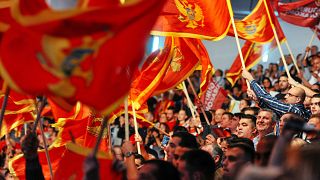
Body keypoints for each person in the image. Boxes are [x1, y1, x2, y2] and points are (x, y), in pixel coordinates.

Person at [242, 69, 311, 120]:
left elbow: (268, 99)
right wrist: (257, 100)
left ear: (298, 99)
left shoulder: (294, 110)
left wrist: (250, 79)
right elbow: (272, 110)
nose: (286, 96)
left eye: (289, 95)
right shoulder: (302, 111)